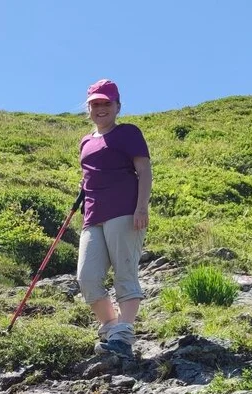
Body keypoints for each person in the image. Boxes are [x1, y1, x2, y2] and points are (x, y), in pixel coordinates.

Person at [76, 79, 152, 358]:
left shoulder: (128, 133)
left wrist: (141, 208)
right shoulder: (85, 141)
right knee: (87, 277)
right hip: (93, 216)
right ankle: (110, 325)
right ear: (89, 108)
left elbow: (144, 171)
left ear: (117, 106)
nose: (101, 108)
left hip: (124, 211)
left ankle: (123, 334)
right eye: (95, 103)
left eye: (106, 103)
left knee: (125, 272)